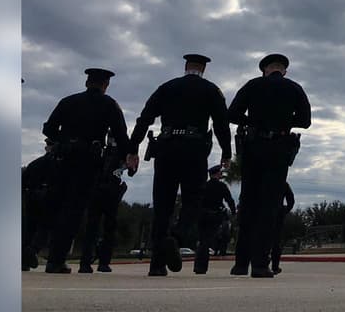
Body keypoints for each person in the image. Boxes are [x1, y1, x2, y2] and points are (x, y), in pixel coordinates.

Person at [129, 53, 232, 277]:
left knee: (163, 205)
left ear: (186, 66)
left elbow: (144, 118)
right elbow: (221, 123)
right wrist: (226, 151)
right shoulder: (211, 90)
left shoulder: (166, 87)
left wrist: (132, 147)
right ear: (203, 69)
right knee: (193, 202)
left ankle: (156, 264)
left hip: (166, 148)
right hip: (194, 150)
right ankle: (174, 238)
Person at [40, 67, 137, 273]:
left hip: (64, 157)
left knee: (56, 204)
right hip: (88, 160)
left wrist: (63, 141)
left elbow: (48, 129)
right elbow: (120, 134)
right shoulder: (109, 104)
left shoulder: (67, 101)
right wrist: (131, 154)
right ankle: (57, 259)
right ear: (106, 85)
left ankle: (38, 249)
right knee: (74, 209)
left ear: (86, 83)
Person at [227, 53, 311, 278]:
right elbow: (305, 121)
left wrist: (253, 121)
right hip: (278, 149)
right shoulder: (294, 88)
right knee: (269, 206)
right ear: (284, 70)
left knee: (248, 203)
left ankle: (241, 263)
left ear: (264, 70)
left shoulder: (253, 85)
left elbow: (232, 114)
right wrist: (284, 121)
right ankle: (261, 264)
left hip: (253, 147)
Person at [78, 141, 129, 273]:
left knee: (101, 228)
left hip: (106, 192)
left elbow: (131, 170)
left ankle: (96, 262)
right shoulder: (101, 151)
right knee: (97, 228)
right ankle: (92, 262)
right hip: (101, 191)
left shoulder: (120, 154)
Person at [194, 164, 236, 274]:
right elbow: (229, 200)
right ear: (217, 174)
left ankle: (198, 265)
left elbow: (197, 201)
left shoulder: (204, 186)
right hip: (214, 216)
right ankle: (202, 266)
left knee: (202, 240)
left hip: (202, 215)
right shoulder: (221, 186)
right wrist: (234, 212)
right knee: (207, 241)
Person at [21, 143, 57, 271]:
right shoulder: (57, 164)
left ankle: (23, 259)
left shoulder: (35, 163)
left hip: (31, 195)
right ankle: (32, 250)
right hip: (47, 196)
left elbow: (23, 181)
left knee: (29, 228)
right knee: (45, 227)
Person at [268, 180, 296, 274]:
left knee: (264, 239)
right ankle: (275, 267)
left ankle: (262, 263)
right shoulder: (283, 183)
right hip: (277, 213)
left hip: (264, 213)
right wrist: (285, 210)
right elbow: (291, 200)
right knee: (276, 241)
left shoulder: (263, 180)